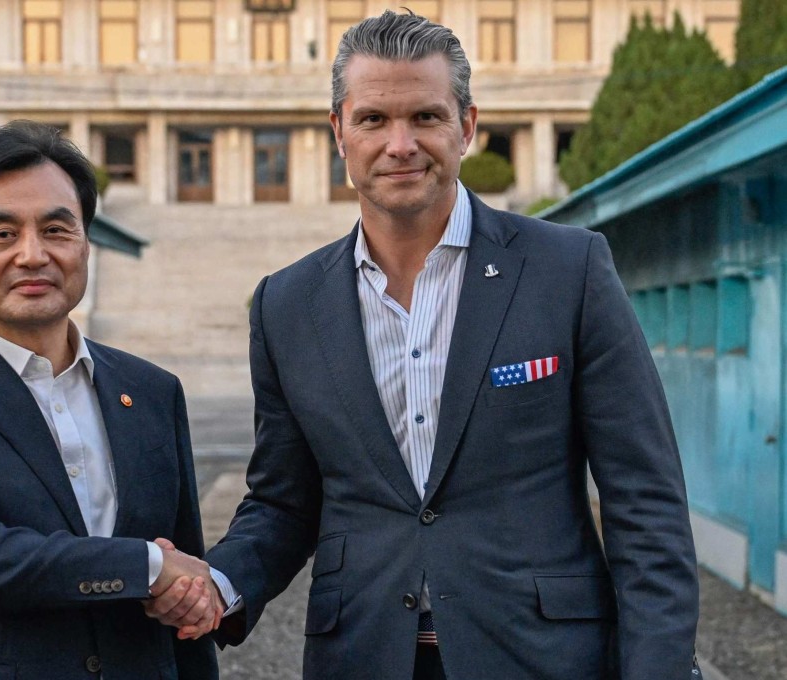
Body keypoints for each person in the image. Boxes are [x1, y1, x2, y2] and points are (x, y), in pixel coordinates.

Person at [148, 10, 701, 680]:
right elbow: (284, 503)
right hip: (361, 657)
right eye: (374, 119)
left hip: (543, 658)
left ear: (467, 126)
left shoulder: (568, 271)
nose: (400, 144)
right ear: (339, 132)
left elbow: (645, 502)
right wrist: (216, 585)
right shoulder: (287, 304)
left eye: (426, 117)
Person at [0, 121, 223, 680]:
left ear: (85, 245)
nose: (32, 255)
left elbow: (186, 585)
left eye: (55, 229)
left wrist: (185, 596)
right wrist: (147, 565)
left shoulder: (151, 390)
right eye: (2, 234)